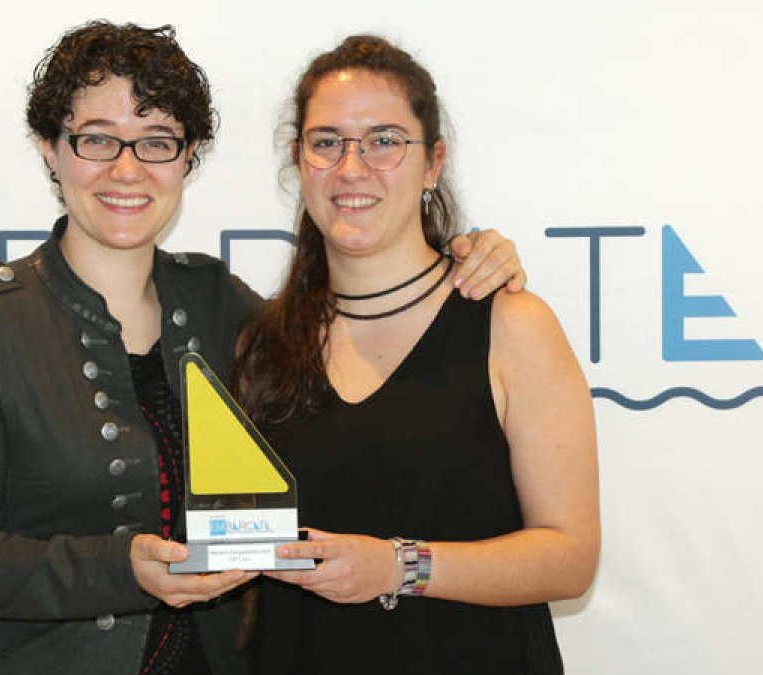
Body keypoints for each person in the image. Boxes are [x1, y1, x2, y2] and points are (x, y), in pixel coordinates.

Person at [0, 22, 527, 675]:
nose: (126, 167)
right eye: (96, 138)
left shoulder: (218, 302)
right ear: (49, 148)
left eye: (157, 142)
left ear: (187, 156)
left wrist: (464, 257)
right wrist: (120, 568)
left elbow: (361, 336)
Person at [237, 36, 600, 674]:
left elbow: (570, 558)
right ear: (299, 163)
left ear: (432, 163)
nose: (352, 167)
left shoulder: (511, 323)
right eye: (327, 142)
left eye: (384, 141)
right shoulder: (260, 342)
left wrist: (399, 566)